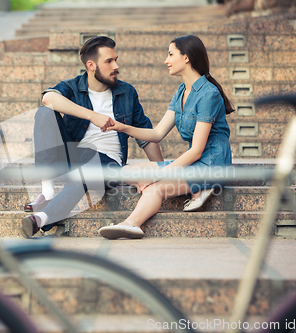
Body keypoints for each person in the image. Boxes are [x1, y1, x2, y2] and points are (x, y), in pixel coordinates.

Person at [19, 36, 163, 237]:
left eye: (116, 59)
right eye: (109, 61)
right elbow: (48, 98)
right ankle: (48, 192)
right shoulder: (74, 86)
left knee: (92, 163)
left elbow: (145, 135)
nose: (116, 65)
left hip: (107, 163)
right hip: (74, 156)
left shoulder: (127, 92)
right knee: (44, 112)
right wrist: (92, 115)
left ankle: (41, 219)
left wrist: (165, 171)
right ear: (91, 65)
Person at [98, 35, 234, 240]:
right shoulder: (182, 91)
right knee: (124, 172)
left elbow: (197, 150)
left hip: (211, 164)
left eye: (171, 54)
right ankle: (197, 188)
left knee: (156, 188)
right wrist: (122, 127)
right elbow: (157, 133)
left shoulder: (209, 94)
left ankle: (131, 225)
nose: (166, 60)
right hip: (193, 162)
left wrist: (160, 174)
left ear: (186, 58)